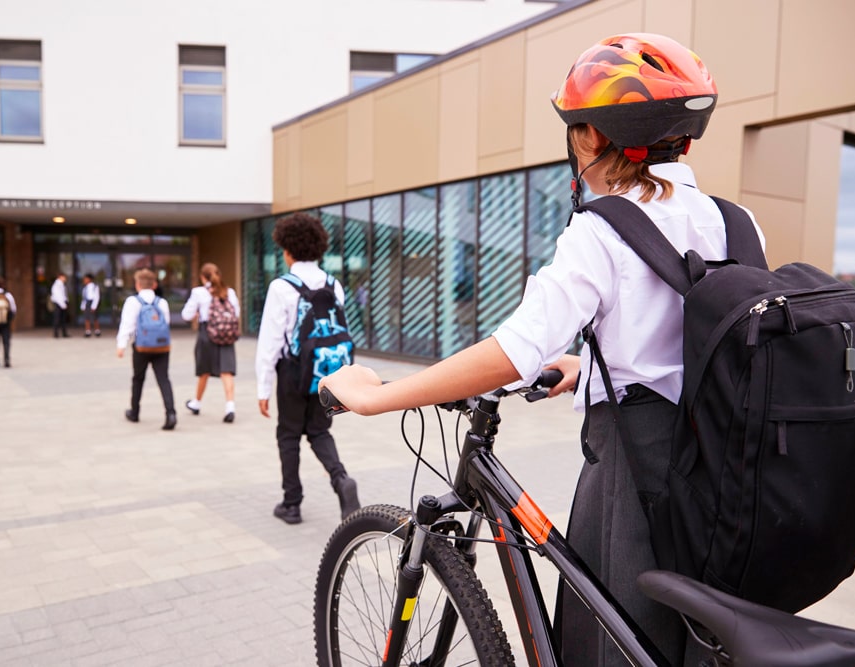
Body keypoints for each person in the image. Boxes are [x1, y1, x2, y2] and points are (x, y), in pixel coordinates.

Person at [320, 33, 762, 666]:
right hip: (725, 473)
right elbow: (708, 340)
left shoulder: (602, 229)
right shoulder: (737, 221)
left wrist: (379, 397)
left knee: (614, 641)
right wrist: (591, 369)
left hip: (638, 480)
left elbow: (513, 352)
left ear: (589, 138)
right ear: (684, 139)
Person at [256, 212, 360, 525]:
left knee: (288, 436)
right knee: (319, 431)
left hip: (292, 372)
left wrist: (263, 387)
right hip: (326, 373)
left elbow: (270, 342)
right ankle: (341, 481)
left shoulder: (281, 287)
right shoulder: (334, 283)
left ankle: (292, 503)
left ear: (286, 249)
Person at [116, 268, 177, 430]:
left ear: (137, 285)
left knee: (138, 379)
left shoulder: (133, 302)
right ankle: (171, 413)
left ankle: (134, 412)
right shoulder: (162, 302)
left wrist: (121, 345)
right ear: (155, 284)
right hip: (162, 346)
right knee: (164, 379)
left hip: (141, 347)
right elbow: (166, 324)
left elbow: (127, 325)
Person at [180, 263, 240, 422]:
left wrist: (199, 312)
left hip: (207, 333)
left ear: (202, 277)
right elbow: (237, 313)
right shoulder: (230, 292)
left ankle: (197, 402)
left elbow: (186, 315)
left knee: (204, 370)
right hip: (226, 334)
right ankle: (230, 406)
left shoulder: (199, 292)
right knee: (226, 371)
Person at [81, 273, 101, 337]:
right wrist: (83, 305)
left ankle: (97, 331)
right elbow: (84, 298)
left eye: (85, 279)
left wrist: (94, 306)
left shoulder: (95, 287)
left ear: (89, 279)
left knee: (95, 318)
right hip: (87, 302)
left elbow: (97, 297)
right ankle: (88, 331)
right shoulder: (85, 288)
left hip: (92, 302)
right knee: (87, 318)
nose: (84, 280)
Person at [50, 272, 70, 338]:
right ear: (60, 277)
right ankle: (56, 333)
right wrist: (62, 304)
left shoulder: (62, 284)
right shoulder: (57, 285)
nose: (65, 279)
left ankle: (64, 333)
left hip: (62, 303)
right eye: (64, 277)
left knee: (63, 319)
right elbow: (58, 296)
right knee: (57, 319)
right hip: (59, 304)